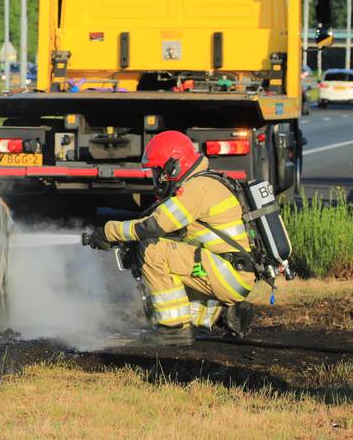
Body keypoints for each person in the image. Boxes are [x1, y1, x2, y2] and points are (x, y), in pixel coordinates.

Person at [85, 130, 256, 345]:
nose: (156, 178)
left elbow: (153, 226)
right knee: (154, 259)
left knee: (151, 251)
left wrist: (109, 232)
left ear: (173, 166)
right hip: (228, 271)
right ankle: (223, 315)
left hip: (228, 273)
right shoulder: (201, 183)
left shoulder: (196, 189)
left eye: (158, 171)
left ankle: (173, 329)